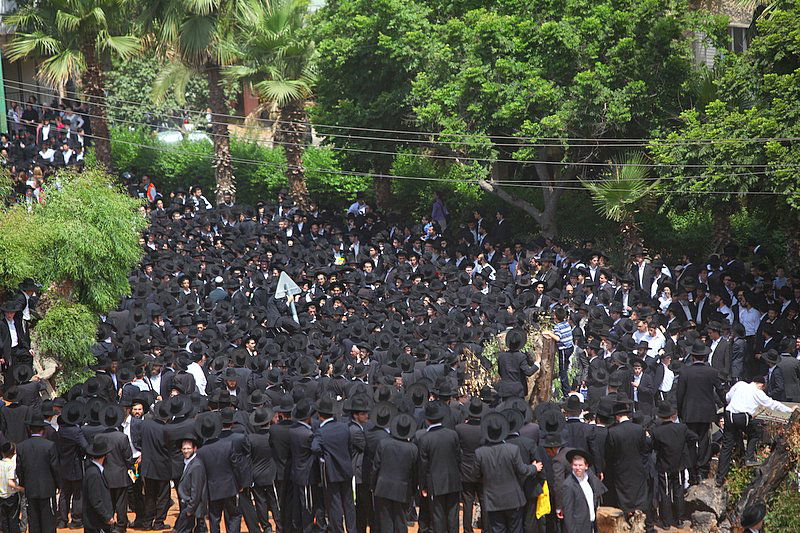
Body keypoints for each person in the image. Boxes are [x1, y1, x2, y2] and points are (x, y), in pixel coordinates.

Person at [716, 376, 795, 485]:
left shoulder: (740, 384)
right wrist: (789, 410)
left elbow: (728, 397)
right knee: (754, 434)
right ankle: (749, 458)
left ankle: (720, 478)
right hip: (742, 417)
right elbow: (772, 404)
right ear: (761, 385)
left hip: (729, 415)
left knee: (727, 446)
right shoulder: (758, 392)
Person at [474, 411, 541, 532]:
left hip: (493, 499)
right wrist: (534, 468)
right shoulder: (512, 450)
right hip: (513, 498)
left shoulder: (480, 452)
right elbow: (522, 470)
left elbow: (476, 475)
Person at [676, 339, 725, 482]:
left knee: (690, 442)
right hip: (706, 412)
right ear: (704, 356)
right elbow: (720, 390)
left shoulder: (685, 372)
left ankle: (693, 472)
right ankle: (702, 470)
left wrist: (680, 412)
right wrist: (726, 404)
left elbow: (680, 394)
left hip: (689, 412)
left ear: (692, 356)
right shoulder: (712, 372)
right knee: (704, 440)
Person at [417, 401, 462, 533]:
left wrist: (423, 486)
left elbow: (423, 466)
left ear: (427, 420)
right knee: (453, 516)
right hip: (453, 481)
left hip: (435, 484)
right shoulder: (452, 434)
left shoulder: (425, 439)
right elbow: (458, 458)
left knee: (438, 516)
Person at [651, 401, 698, 528]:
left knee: (665, 493)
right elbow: (694, 437)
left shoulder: (657, 431)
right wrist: (683, 448)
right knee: (678, 492)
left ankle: (666, 522)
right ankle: (679, 520)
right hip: (679, 464)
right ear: (672, 415)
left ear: (660, 416)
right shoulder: (681, 428)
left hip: (664, 465)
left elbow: (654, 447)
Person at [371, 413, 419, 533]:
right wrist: (413, 491)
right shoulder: (412, 449)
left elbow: (375, 467)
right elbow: (415, 473)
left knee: (385, 521)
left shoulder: (383, 443)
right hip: (402, 490)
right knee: (400, 521)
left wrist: (373, 485)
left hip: (383, 488)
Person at [16, 413, 60, 533]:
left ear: (30, 429)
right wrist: (58, 485)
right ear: (43, 429)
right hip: (47, 489)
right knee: (48, 522)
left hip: (30, 489)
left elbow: (19, 469)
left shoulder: (21, 447)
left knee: (34, 522)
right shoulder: (50, 446)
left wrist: (24, 484)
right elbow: (55, 468)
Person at [560, 448, 606, 533]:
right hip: (579, 528)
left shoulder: (589, 479)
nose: (577, 468)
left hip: (591, 524)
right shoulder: (568, 485)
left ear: (586, 466)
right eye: (575, 465)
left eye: (580, 465)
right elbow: (568, 513)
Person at [82, 437, 115, 533]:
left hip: (96, 522)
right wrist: (107, 517)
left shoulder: (93, 470)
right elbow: (95, 500)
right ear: (104, 456)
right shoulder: (94, 474)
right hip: (96, 523)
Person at [174, 437, 207, 533]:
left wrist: (190, 509)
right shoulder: (187, 462)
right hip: (188, 505)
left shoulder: (196, 466)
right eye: (184, 448)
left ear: (194, 449)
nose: (186, 451)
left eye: (188, 448)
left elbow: (196, 490)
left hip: (192, 507)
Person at [0, 442, 21, 533]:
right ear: (13, 453)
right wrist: (21, 488)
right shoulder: (11, 465)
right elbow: (10, 483)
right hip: (11, 497)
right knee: (13, 519)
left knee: (4, 520)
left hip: (1, 496)